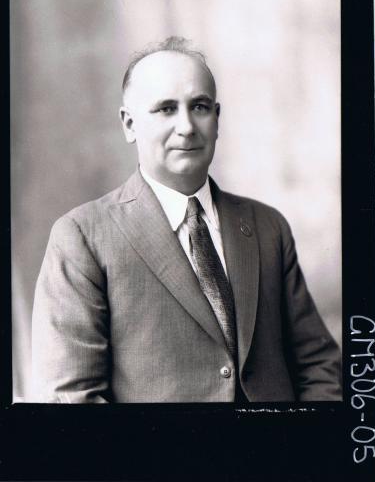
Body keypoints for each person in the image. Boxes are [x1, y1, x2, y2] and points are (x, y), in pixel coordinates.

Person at [31, 36, 342, 403]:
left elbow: (319, 365)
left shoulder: (267, 226)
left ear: (217, 118)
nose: (187, 126)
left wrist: (306, 451)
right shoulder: (82, 236)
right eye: (166, 109)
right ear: (129, 124)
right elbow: (73, 398)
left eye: (199, 106)